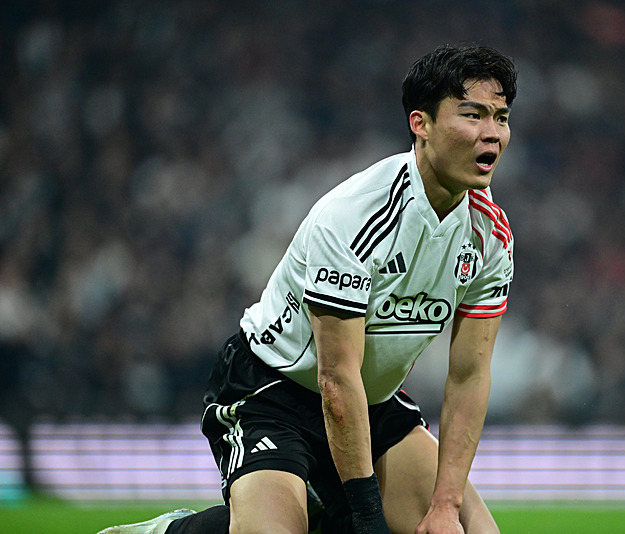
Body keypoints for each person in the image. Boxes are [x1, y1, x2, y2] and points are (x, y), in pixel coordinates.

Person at [99, 43, 516, 534]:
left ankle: (318, 509)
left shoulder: (491, 236)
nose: (492, 133)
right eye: (472, 114)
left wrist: (445, 505)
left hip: (372, 403)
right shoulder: (355, 217)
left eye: (501, 117)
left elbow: (469, 376)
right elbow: (334, 378)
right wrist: (366, 517)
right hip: (275, 391)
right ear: (420, 124)